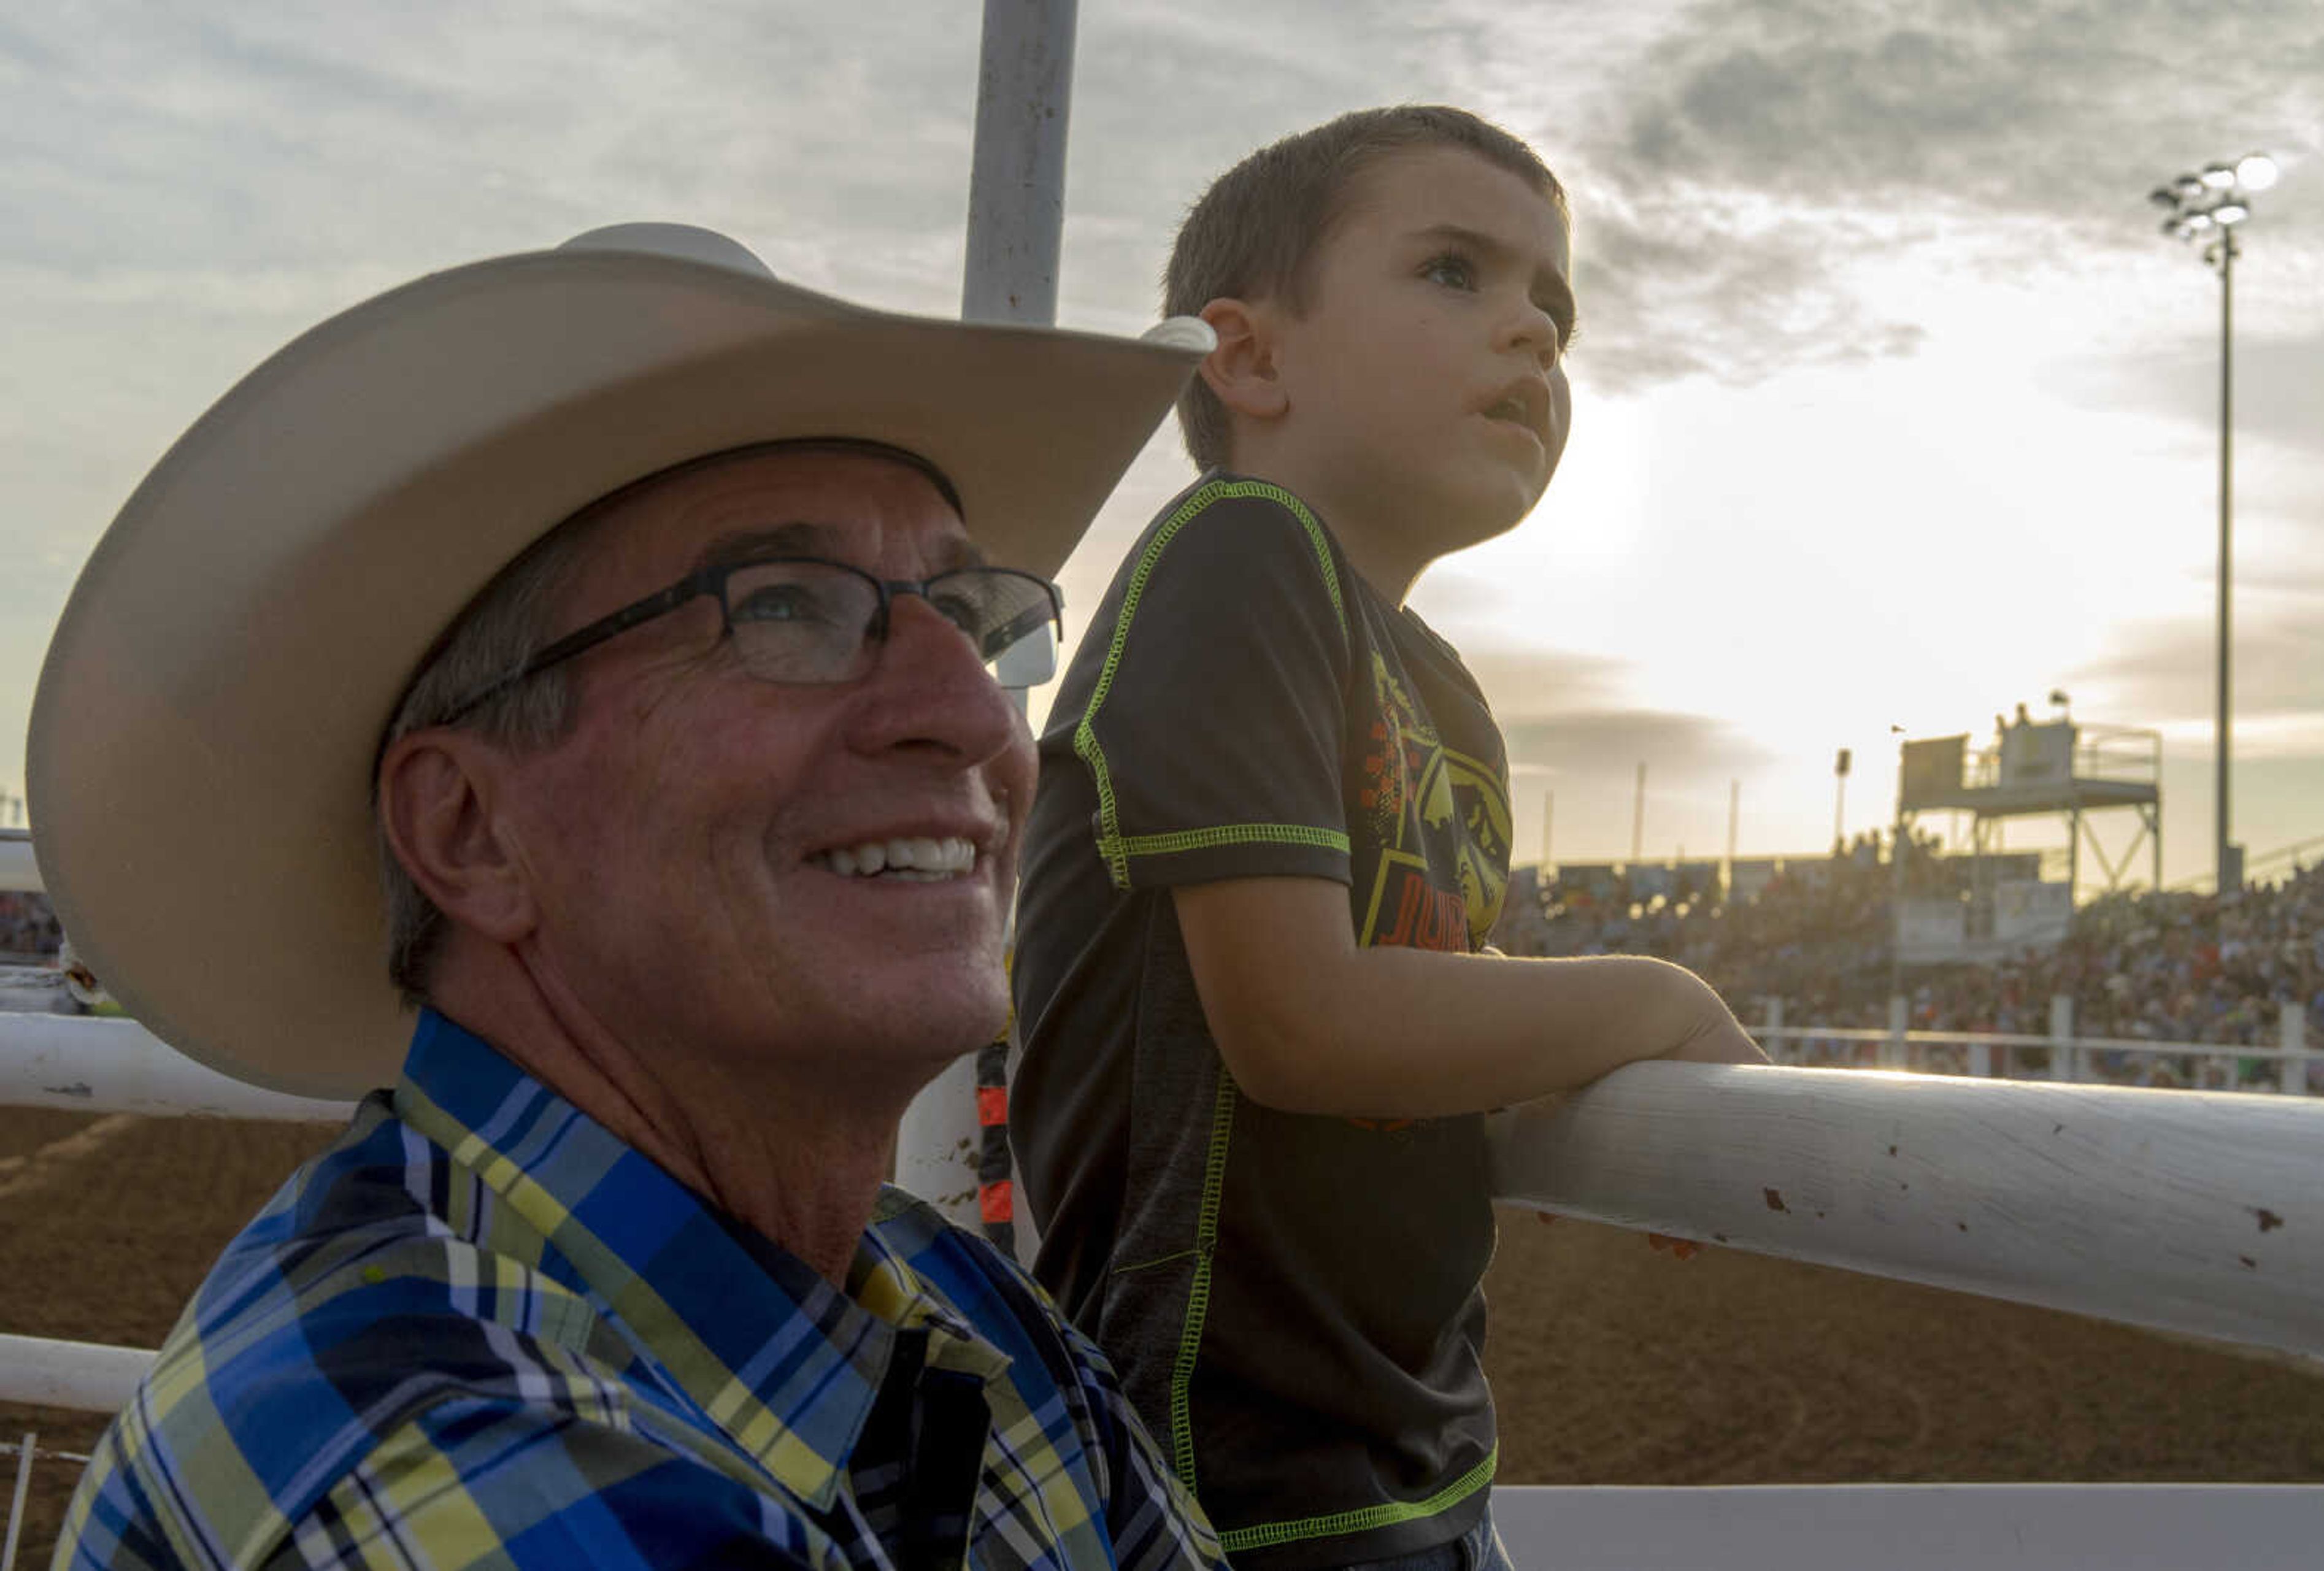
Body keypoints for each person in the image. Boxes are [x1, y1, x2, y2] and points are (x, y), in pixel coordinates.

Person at [37, 223, 1228, 1570]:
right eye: (782, 606)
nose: (970, 713)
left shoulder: (949, 1309)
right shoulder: (432, 1459)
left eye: (966, 611)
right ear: (473, 829)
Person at [1010, 108, 1766, 1569]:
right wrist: (1663, 1002)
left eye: (1555, 304)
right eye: (1453, 273)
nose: (1533, 335)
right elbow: (1302, 1023)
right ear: (1248, 358)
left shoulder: (1444, 697)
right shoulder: (1232, 552)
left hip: (1418, 1463)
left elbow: (1437, 1048)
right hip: (1220, 1487)